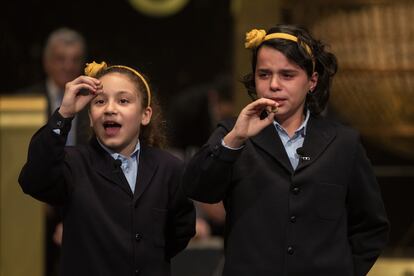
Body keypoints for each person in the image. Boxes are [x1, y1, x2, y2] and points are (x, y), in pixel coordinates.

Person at [182, 24, 389, 276]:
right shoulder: (233, 132)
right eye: (264, 74)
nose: (274, 85)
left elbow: (371, 226)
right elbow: (197, 188)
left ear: (312, 81)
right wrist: (235, 138)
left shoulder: (343, 142)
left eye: (288, 75)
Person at [19, 61, 196, 275]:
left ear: (145, 115)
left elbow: (180, 232)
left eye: (123, 101)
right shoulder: (73, 164)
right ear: (91, 118)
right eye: (100, 101)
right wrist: (64, 114)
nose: (110, 109)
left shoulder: (169, 168)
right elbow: (33, 179)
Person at [17, 27, 89, 276]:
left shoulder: (95, 102)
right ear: (46, 61)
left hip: (81, 197)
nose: (67, 66)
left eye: (74, 60)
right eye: (60, 59)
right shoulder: (22, 103)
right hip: (30, 203)